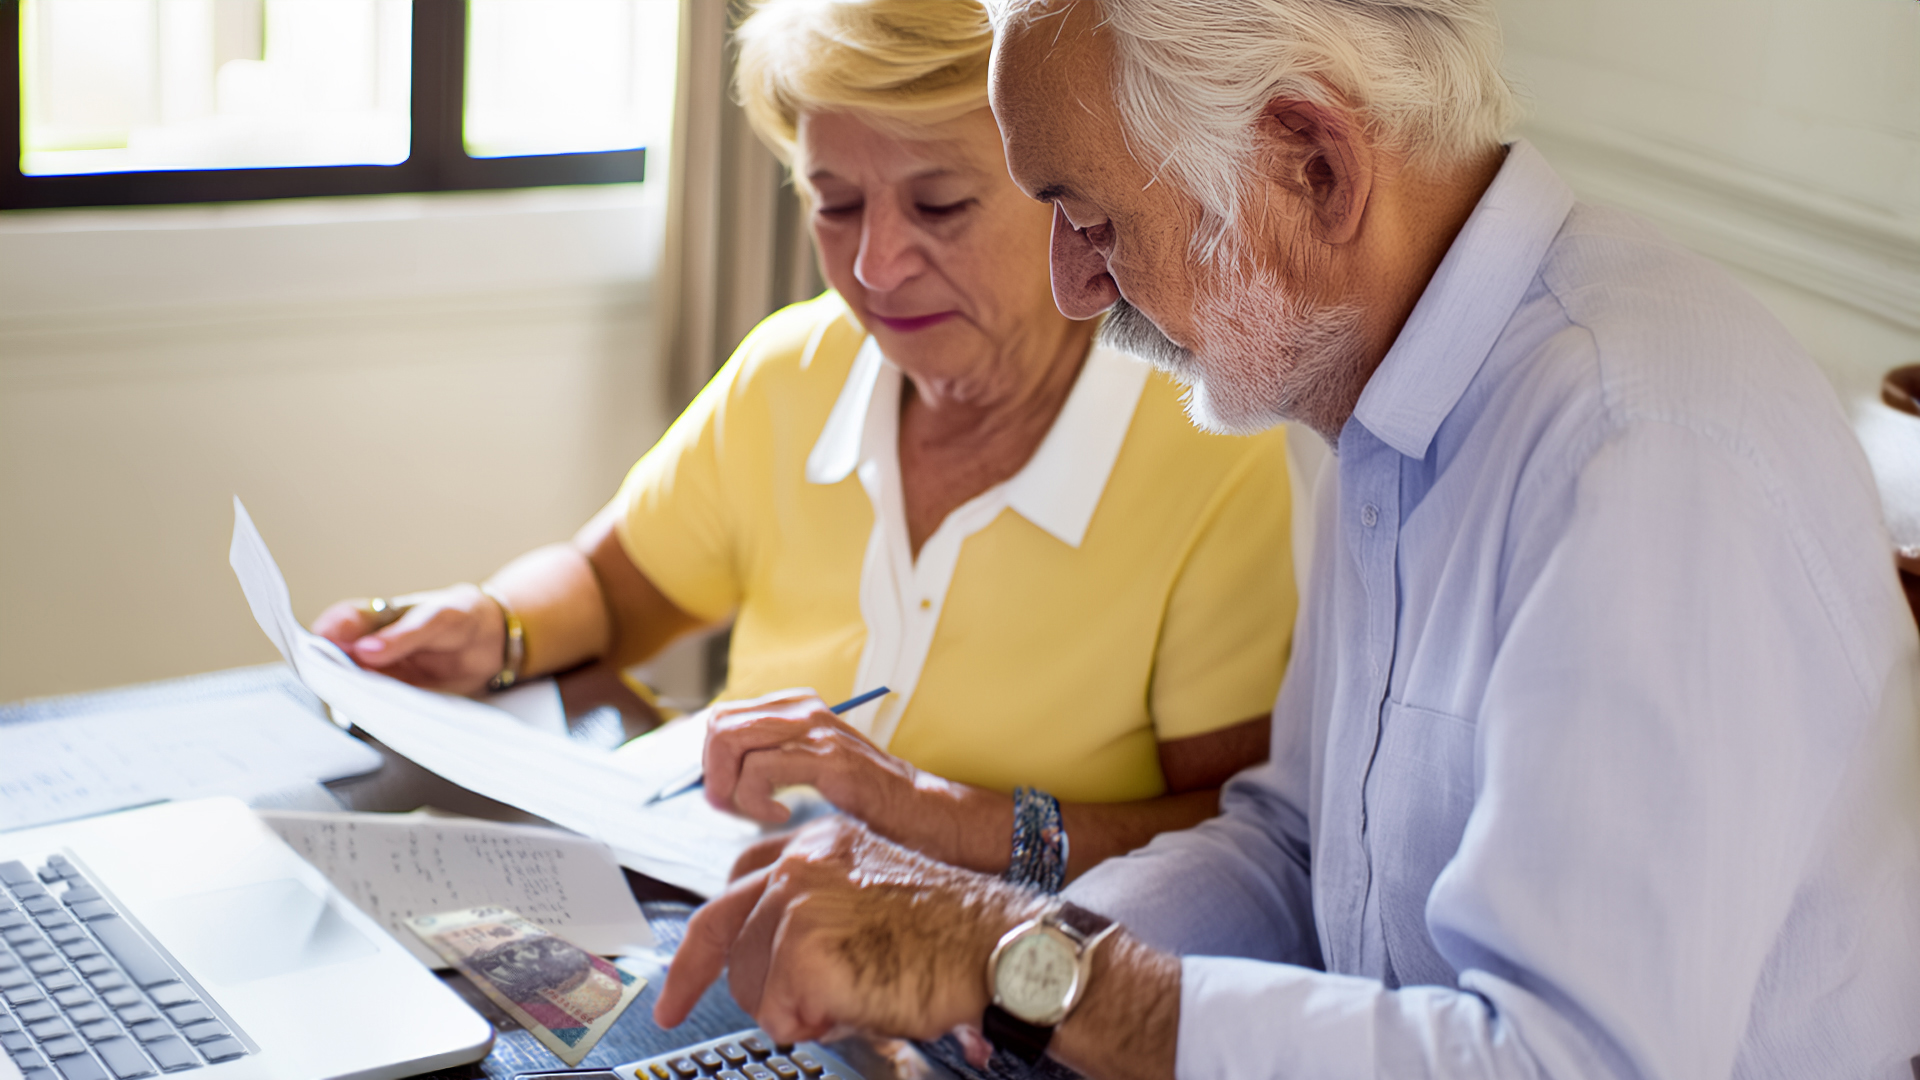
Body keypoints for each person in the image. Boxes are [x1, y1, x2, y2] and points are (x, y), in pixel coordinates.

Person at [653, 1, 1920, 1077]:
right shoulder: (1387, 393)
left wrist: (1013, 970)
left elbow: (1558, 1063)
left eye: (1092, 219)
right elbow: (1296, 849)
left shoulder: (1637, 445)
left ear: (1313, 163)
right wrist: (996, 956)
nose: (1072, 291)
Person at [312, 0, 1297, 889]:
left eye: (939, 206)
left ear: (1065, 198)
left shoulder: (1214, 448)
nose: (875, 266)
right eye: (835, 204)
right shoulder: (793, 369)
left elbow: (1239, 841)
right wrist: (495, 623)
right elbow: (608, 591)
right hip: (723, 900)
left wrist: (930, 813)